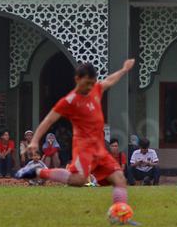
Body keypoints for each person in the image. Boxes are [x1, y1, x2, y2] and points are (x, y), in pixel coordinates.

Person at [16, 59, 137, 218]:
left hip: (99, 148)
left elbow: (109, 80)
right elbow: (49, 120)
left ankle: (120, 217)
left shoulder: (96, 89)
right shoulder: (69, 101)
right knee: (79, 180)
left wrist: (123, 70)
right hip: (83, 147)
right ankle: (38, 172)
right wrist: (34, 140)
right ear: (77, 79)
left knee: (119, 178)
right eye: (87, 83)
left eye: (92, 83)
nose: (90, 87)